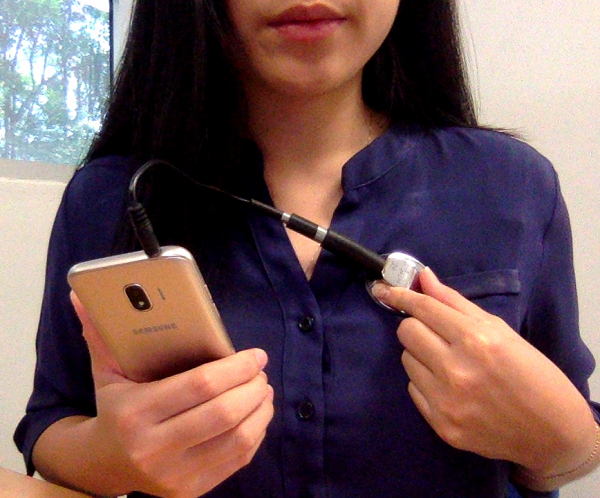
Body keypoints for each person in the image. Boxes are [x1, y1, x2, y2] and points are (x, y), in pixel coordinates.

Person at [14, 0, 600, 497]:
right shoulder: (109, 198)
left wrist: (566, 443)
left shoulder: (513, 185)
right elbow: (50, 424)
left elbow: (574, 439)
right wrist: (112, 455)